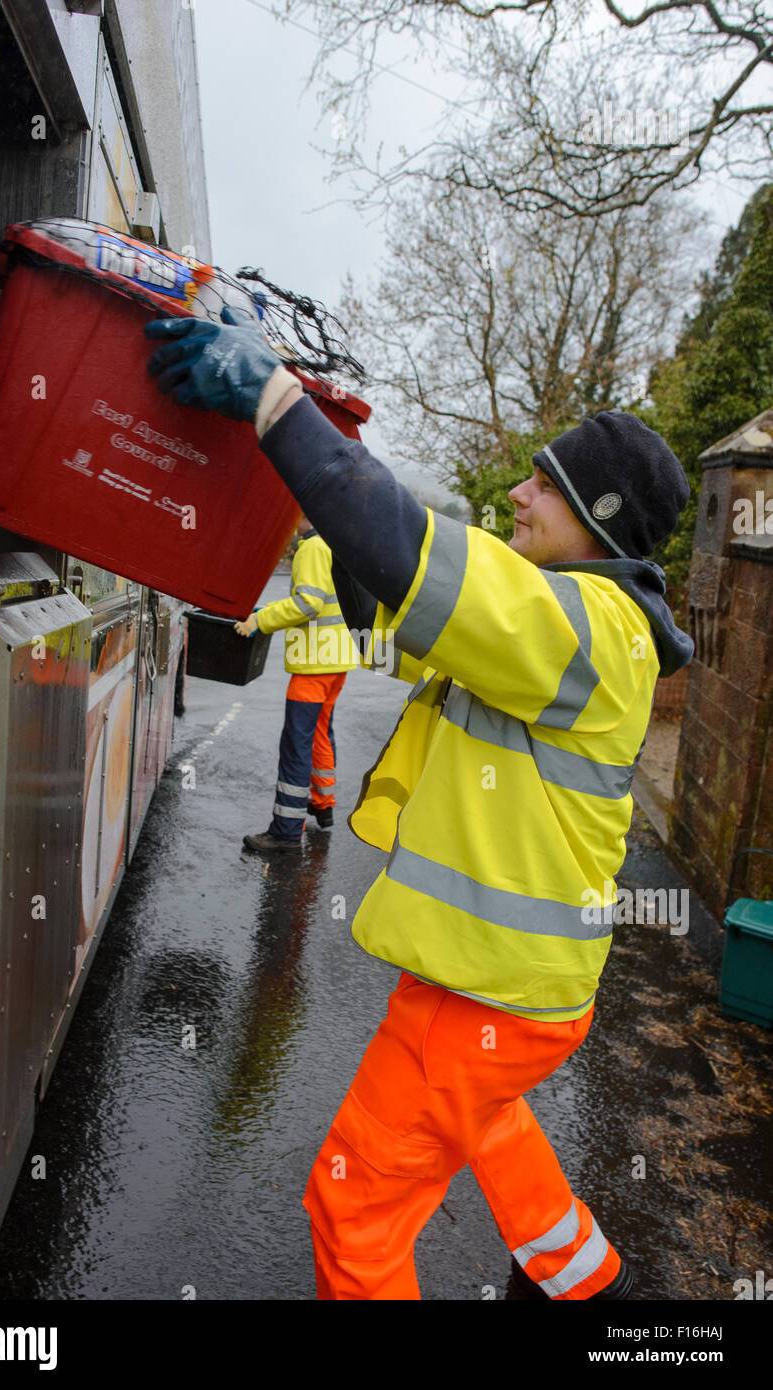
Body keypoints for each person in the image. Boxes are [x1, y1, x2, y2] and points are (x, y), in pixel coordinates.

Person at [144, 308, 693, 1300]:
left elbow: (417, 555)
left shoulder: (584, 623)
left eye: (544, 482)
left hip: (489, 988)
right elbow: (409, 594)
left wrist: (279, 404)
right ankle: (584, 1282)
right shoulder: (561, 615)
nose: (519, 495)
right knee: (485, 1120)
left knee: (352, 1209)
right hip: (494, 979)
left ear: (597, 519)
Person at [234, 516, 357, 851]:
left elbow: (307, 604)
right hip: (336, 661)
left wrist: (260, 621)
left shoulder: (312, 548)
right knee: (319, 732)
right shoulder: (336, 541)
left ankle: (286, 831)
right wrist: (269, 609)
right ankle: (322, 803)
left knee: (296, 744)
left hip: (314, 665)